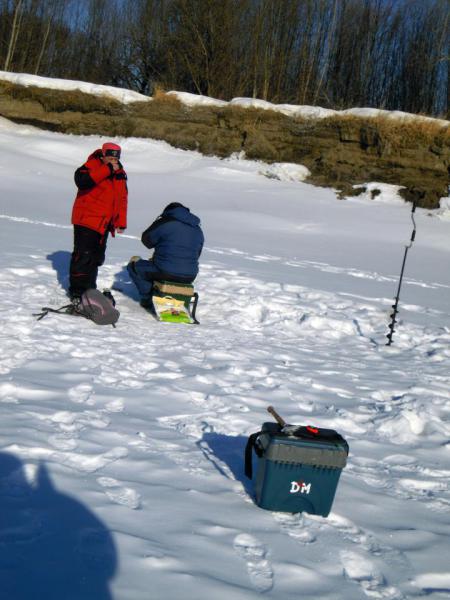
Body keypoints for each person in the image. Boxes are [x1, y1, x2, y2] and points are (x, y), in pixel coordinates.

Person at [69, 142, 128, 304]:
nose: (113, 159)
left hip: (104, 223)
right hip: (86, 219)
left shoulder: (120, 172)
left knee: (96, 258)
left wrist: (120, 221)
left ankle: (89, 289)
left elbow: (122, 198)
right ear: (103, 154)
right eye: (110, 156)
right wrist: (107, 169)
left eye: (116, 157)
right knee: (83, 257)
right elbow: (82, 181)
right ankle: (77, 292)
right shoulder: (91, 165)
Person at [127, 203, 204, 306]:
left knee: (133, 267)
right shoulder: (198, 229)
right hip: (190, 275)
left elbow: (146, 240)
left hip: (165, 270)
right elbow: (197, 254)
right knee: (160, 267)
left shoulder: (166, 221)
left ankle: (147, 298)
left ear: (168, 211)